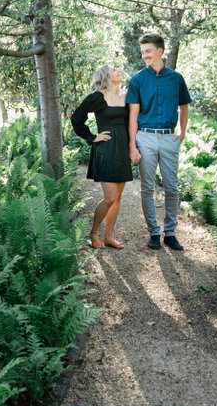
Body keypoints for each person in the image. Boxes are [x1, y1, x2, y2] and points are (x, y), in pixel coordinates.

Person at [127, 32, 191, 250]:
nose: (144, 55)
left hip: (168, 137)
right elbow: (133, 115)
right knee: (147, 188)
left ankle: (170, 232)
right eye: (142, 51)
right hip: (144, 136)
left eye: (148, 51)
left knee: (172, 187)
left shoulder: (176, 78)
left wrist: (181, 133)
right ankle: (154, 232)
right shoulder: (136, 80)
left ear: (159, 51)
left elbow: (184, 107)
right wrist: (132, 145)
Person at [70, 65, 132, 249]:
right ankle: (93, 233)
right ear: (105, 75)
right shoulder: (97, 97)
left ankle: (108, 237)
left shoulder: (125, 97)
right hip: (105, 149)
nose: (118, 71)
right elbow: (76, 118)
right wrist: (91, 137)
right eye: (114, 70)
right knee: (110, 197)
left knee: (118, 196)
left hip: (122, 148)